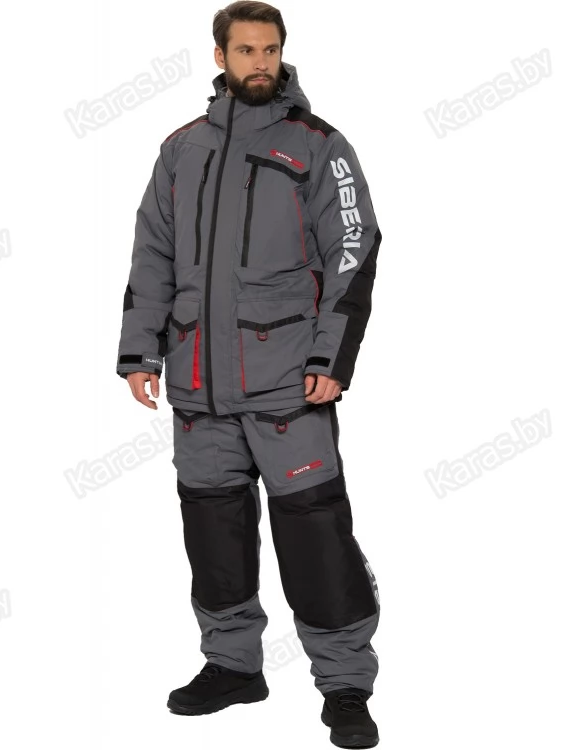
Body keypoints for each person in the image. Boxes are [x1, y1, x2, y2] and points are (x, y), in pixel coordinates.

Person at [116, 2, 382, 747]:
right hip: (198, 385)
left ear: (282, 53)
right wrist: (140, 352)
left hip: (289, 384)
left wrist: (331, 358)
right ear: (220, 57)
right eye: (245, 50)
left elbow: (354, 251)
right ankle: (233, 666)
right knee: (214, 535)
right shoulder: (181, 149)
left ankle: (346, 683)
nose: (259, 62)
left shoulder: (319, 145)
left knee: (316, 537)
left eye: (269, 50)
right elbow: (152, 253)